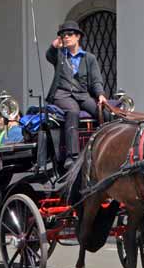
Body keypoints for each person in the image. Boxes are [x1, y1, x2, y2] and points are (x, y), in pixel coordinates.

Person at [45, 19, 107, 167]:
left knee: (104, 113)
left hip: (82, 94)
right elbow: (49, 55)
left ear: (78, 36)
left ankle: (104, 148)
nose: (66, 37)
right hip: (62, 94)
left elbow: (96, 80)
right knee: (73, 111)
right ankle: (71, 156)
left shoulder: (89, 58)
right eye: (63, 35)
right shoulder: (59, 55)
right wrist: (54, 46)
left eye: (69, 34)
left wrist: (100, 95)